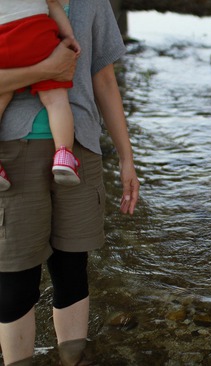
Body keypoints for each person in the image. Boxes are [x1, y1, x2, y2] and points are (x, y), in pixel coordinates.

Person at [0, 0, 140, 365]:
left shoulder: (92, 2)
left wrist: (126, 158)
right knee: (16, 281)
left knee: (72, 269)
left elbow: (104, 78)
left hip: (80, 148)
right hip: (12, 153)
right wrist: (45, 69)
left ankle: (73, 360)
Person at [0, 0, 82, 189]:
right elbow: (53, 3)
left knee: (1, 97)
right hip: (36, 35)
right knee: (56, 100)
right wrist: (68, 35)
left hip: (3, 39)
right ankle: (63, 155)